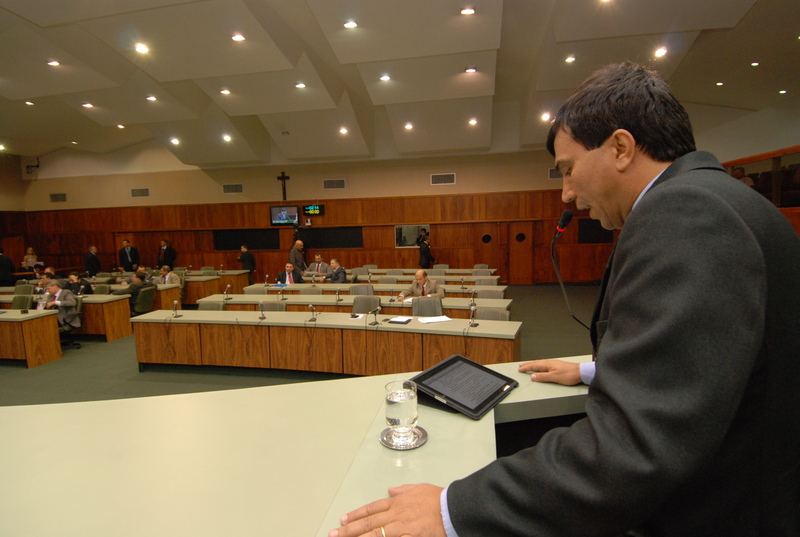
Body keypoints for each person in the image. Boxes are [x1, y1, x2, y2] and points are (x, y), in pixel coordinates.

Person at [331, 62, 800, 537]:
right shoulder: (717, 199)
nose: (566, 194)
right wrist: (593, 369)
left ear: (621, 148)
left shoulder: (686, 213)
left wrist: (451, 510)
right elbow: (710, 353)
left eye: (569, 170)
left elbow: (631, 448)